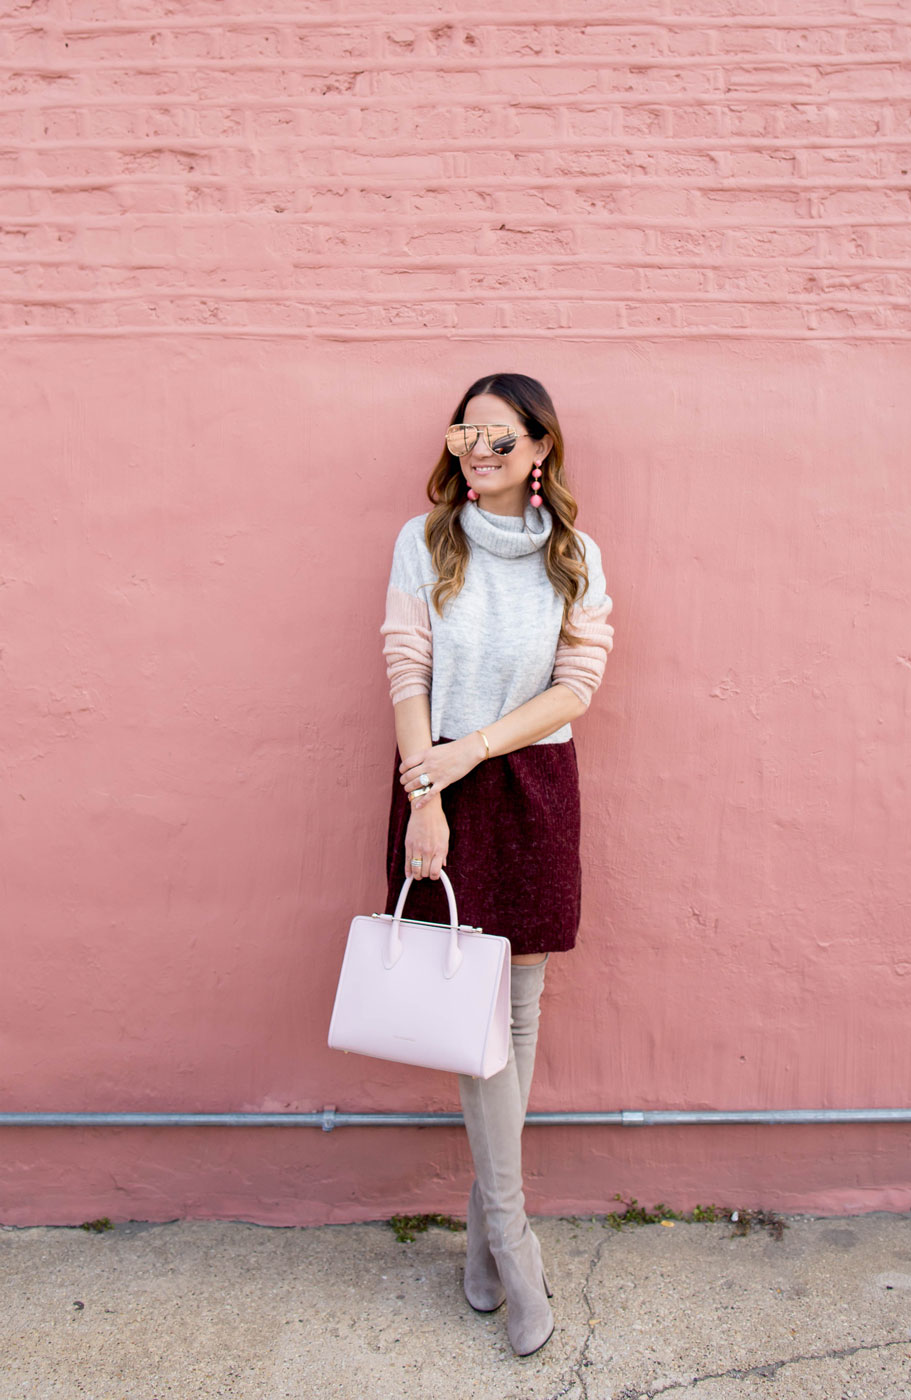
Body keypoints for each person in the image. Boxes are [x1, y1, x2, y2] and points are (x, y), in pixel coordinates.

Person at [378, 372, 614, 1357]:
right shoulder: (424, 538)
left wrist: (475, 750)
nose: (478, 450)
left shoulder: (575, 554)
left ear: (540, 451)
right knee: (476, 1024)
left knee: (516, 1012)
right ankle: (515, 1244)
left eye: (500, 437)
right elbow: (406, 667)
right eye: (466, 434)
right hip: (436, 780)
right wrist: (426, 794)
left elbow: (577, 684)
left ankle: (484, 1233)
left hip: (529, 787)